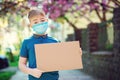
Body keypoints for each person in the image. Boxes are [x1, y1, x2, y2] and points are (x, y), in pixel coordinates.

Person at [18, 9, 59, 80]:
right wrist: (31, 71)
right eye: (35, 22)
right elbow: (21, 64)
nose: (39, 23)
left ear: (47, 21)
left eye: (42, 20)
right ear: (31, 25)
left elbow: (62, 60)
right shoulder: (27, 42)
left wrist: (76, 54)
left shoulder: (54, 41)